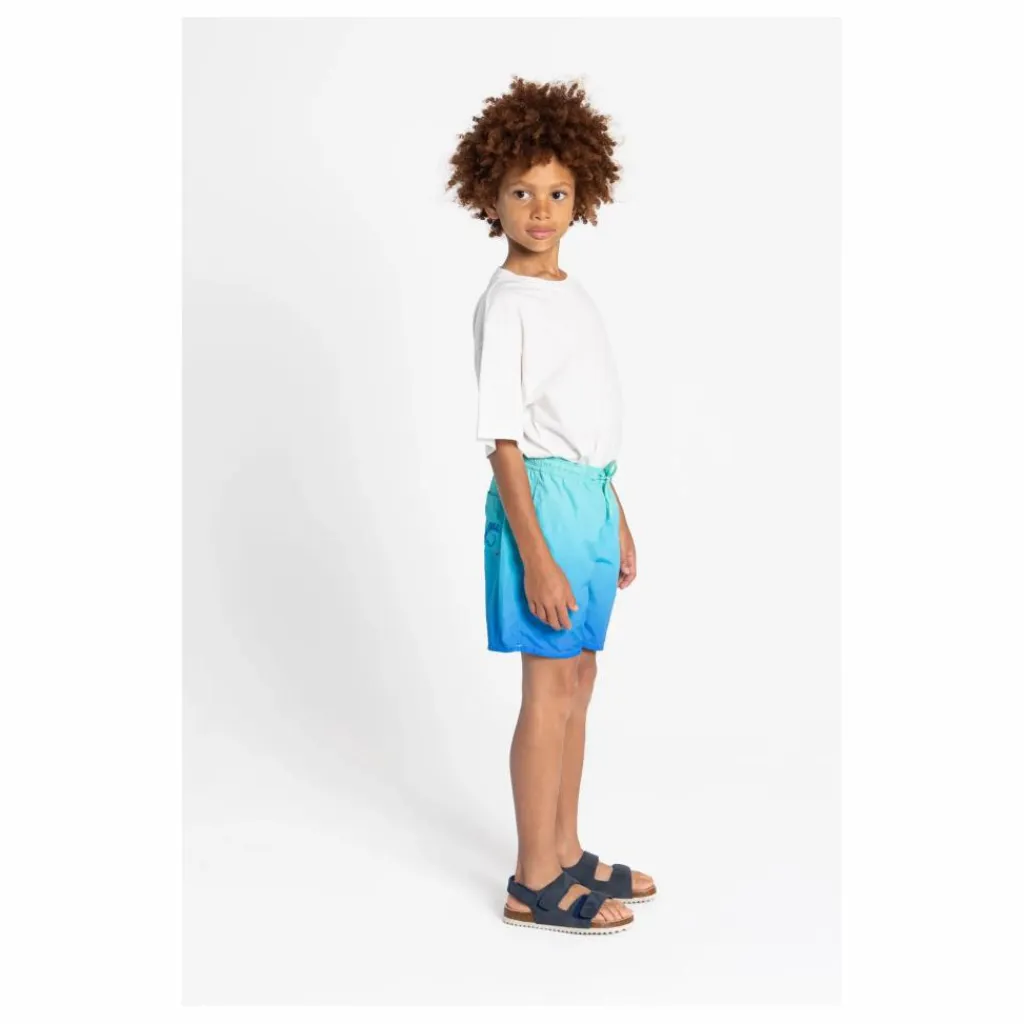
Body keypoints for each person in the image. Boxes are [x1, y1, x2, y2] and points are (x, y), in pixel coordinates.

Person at [446, 76, 656, 935]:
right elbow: (504, 440)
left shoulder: (567, 292)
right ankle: (533, 879)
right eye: (522, 193)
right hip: (539, 505)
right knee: (546, 685)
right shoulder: (506, 304)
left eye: (557, 193)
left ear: (583, 195)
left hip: (587, 499)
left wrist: (617, 511)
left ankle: (565, 849)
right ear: (489, 197)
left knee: (580, 674)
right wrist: (536, 556)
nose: (541, 210)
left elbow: (582, 420)